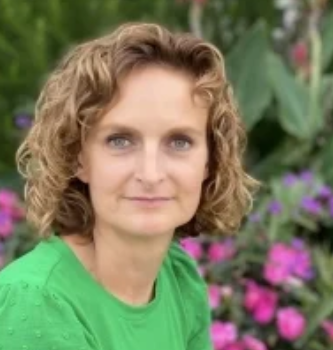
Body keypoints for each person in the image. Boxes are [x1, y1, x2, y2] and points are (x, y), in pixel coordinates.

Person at [0, 22, 257, 349]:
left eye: (179, 142)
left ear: (210, 160)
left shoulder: (178, 277)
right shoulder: (36, 303)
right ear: (78, 157)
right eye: (120, 140)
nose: (150, 174)